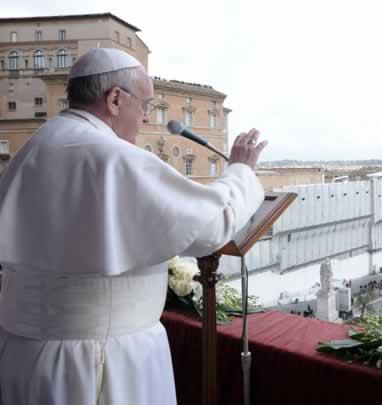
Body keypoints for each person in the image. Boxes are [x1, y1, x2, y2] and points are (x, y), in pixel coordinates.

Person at [0, 48, 267, 404]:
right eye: (145, 104)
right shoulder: (113, 157)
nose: (145, 117)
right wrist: (241, 171)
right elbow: (211, 225)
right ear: (114, 98)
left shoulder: (30, 150)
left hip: (24, 354)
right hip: (101, 360)